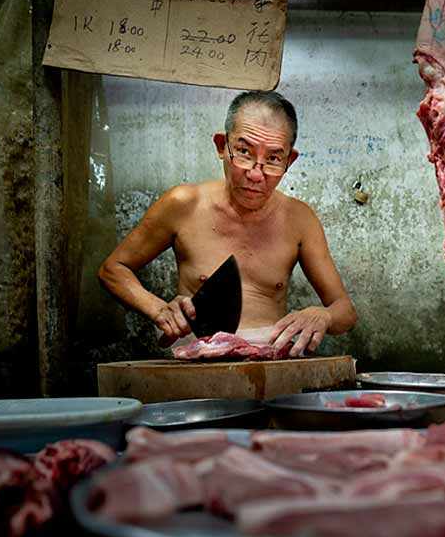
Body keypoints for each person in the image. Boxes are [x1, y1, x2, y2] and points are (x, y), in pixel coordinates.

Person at [98, 90, 357, 356]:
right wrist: (158, 309)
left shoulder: (299, 218)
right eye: (244, 152)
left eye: (273, 159)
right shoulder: (184, 204)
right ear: (222, 146)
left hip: (271, 366)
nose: (256, 174)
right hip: (196, 364)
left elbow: (345, 311)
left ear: (289, 160)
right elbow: (113, 269)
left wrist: (322, 316)